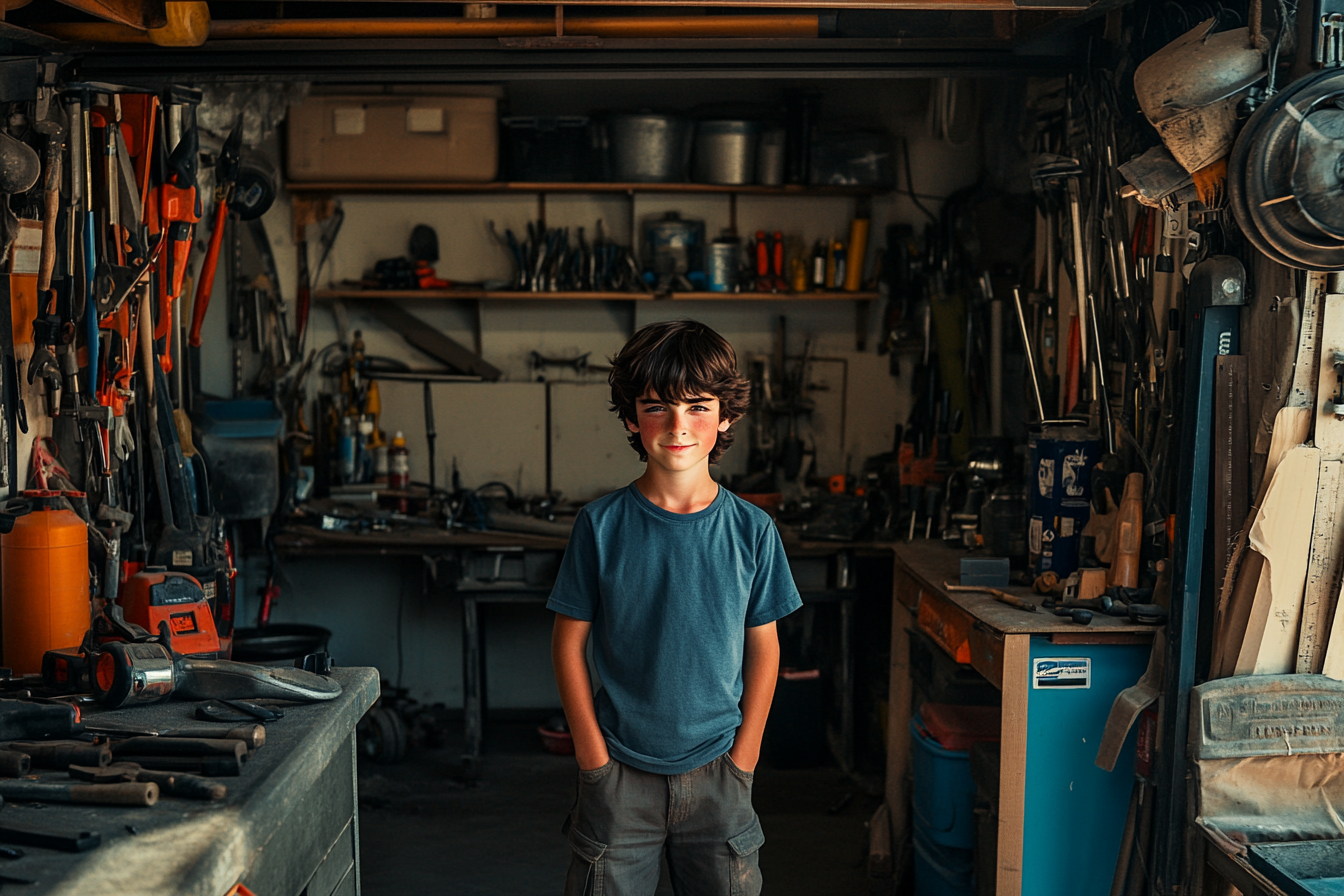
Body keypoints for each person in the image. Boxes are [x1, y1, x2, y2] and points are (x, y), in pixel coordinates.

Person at [548, 319, 802, 896]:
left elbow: (765, 646)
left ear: (726, 415)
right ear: (633, 419)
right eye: (657, 407)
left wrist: (745, 759)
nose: (678, 426)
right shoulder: (600, 526)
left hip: (721, 774)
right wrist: (594, 762)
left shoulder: (753, 530)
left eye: (697, 406)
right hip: (618, 774)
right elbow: (568, 645)